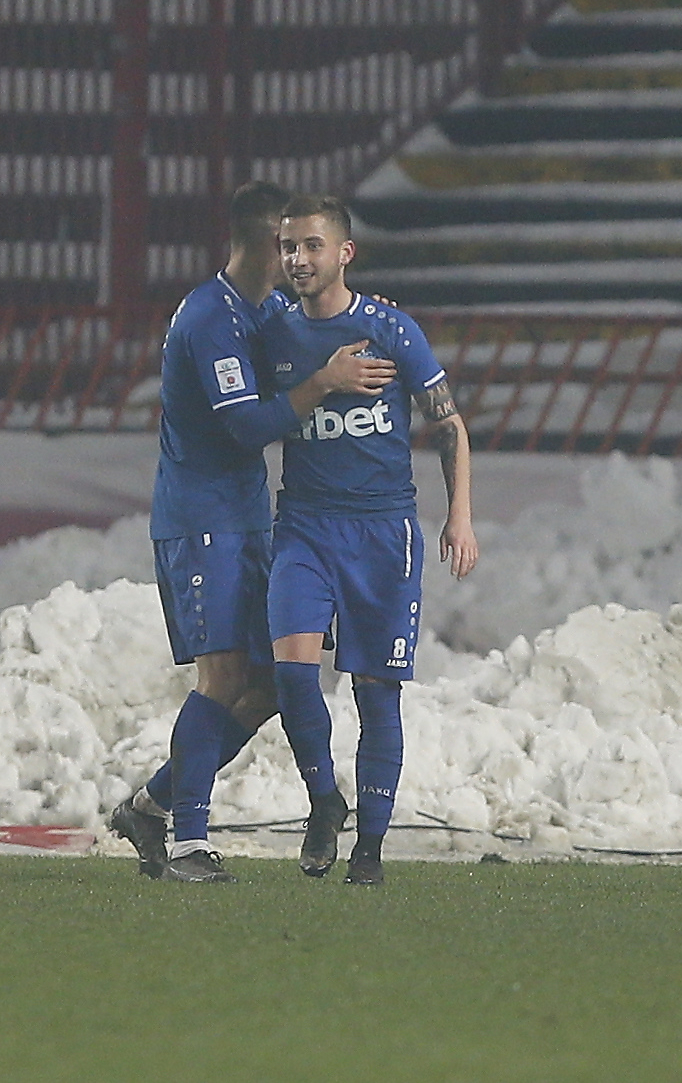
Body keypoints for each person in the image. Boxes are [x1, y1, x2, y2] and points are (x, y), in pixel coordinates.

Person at [106, 181, 395, 883]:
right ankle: (189, 843)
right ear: (269, 244)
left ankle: (151, 804)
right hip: (200, 520)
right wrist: (325, 381)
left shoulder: (258, 311)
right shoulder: (210, 320)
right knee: (225, 676)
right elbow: (248, 424)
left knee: (268, 683)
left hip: (245, 516)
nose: (299, 257)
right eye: (291, 244)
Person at [262, 194, 478, 886]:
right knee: (293, 671)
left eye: (311, 246)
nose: (297, 258)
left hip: (384, 532)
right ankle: (326, 801)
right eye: (288, 246)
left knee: (375, 691)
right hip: (303, 524)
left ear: (344, 253)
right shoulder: (273, 330)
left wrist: (460, 516)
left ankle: (371, 850)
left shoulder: (391, 328)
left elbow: (448, 425)